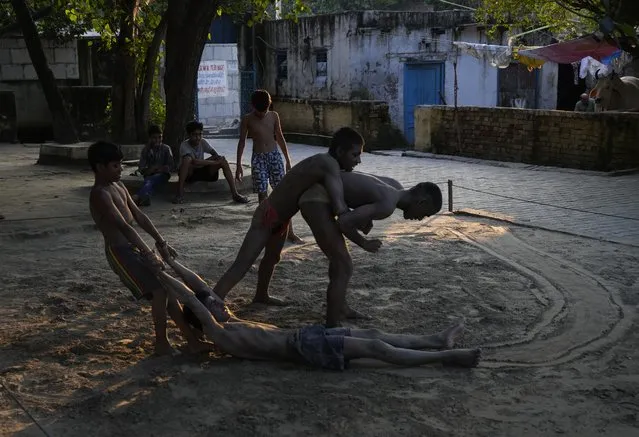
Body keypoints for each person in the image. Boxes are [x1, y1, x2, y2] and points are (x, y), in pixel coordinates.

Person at [151, 245, 481, 370]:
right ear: (206, 317)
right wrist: (161, 275)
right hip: (303, 347)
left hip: (306, 337)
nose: (221, 303)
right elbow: (192, 298)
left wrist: (171, 261)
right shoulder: (220, 333)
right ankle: (446, 357)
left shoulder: (229, 320)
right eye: (216, 305)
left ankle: (436, 340)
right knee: (376, 348)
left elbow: (199, 287)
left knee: (373, 334)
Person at [211, 127, 382, 306]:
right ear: (340, 151)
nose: (359, 161)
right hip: (268, 215)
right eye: (355, 155)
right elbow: (340, 207)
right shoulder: (328, 164)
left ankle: (261, 295)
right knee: (242, 264)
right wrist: (362, 237)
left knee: (272, 258)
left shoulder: (330, 165)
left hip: (281, 219)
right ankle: (212, 301)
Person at [259, 172, 443, 327]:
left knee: (339, 256)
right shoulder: (387, 205)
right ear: (422, 202)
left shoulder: (394, 185)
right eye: (425, 215)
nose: (420, 219)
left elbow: (358, 190)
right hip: (316, 199)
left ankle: (341, 308)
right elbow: (344, 222)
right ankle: (332, 324)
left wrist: (363, 219)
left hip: (323, 194)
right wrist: (364, 243)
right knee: (343, 263)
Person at [87, 141, 214, 356]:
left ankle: (191, 341)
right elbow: (124, 227)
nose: (120, 170)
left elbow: (139, 216)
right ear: (100, 167)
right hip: (121, 253)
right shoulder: (100, 194)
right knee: (159, 291)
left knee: (168, 291)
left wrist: (160, 241)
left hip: (135, 248)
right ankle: (161, 344)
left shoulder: (118, 186)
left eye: (120, 165)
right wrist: (148, 252)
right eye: (115, 166)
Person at [236, 89, 303, 244]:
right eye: (259, 111)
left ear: (269, 105)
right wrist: (239, 164)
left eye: (265, 110)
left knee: (283, 194)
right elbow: (242, 142)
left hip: (274, 156)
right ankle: (266, 231)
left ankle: (290, 232)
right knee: (262, 195)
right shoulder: (247, 119)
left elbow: (279, 136)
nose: (262, 114)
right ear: (253, 106)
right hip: (258, 158)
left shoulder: (274, 116)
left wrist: (287, 159)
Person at [173, 120, 248, 204]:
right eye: (195, 135)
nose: (198, 137)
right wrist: (213, 162)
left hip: (202, 171)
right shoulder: (184, 145)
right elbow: (194, 162)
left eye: (200, 134)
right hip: (189, 174)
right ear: (189, 135)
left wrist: (218, 159)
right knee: (187, 160)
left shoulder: (203, 142)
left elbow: (215, 154)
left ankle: (235, 194)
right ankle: (179, 193)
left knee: (223, 161)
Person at [132, 124, 174, 207]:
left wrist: (160, 169)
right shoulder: (146, 150)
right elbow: (141, 168)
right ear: (150, 138)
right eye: (154, 137)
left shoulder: (166, 148)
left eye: (160, 137)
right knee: (149, 181)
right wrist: (150, 170)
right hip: (149, 174)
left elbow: (171, 166)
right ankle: (145, 197)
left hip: (163, 175)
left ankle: (137, 196)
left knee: (150, 181)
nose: (157, 140)